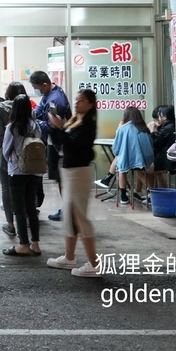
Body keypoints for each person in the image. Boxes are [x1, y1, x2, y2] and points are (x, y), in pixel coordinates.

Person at [46, 88, 101, 277]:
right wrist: (56, 127)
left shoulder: (87, 123)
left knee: (79, 216)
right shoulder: (75, 120)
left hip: (79, 172)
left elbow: (74, 144)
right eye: (77, 100)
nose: (77, 103)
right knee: (69, 215)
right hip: (69, 170)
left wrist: (60, 127)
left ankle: (95, 264)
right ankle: (69, 257)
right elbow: (62, 142)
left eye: (82, 101)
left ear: (91, 104)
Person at [1, 94, 43, 256]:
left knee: (19, 210)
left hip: (17, 172)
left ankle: (23, 245)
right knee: (31, 208)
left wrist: (14, 162)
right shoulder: (35, 126)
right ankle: (36, 244)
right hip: (35, 170)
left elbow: (6, 151)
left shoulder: (12, 128)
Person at [0, 82, 27, 237]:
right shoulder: (28, 107)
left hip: (4, 152)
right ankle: (24, 222)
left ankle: (10, 225)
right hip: (24, 153)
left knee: (6, 188)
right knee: (23, 190)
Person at [29, 71, 71, 221]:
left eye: (37, 88)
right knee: (59, 178)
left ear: (45, 85)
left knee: (62, 178)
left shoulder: (57, 100)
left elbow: (50, 125)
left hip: (61, 145)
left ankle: (68, 209)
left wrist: (37, 123)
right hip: (54, 143)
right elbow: (39, 113)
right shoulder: (49, 95)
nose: (37, 91)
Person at [96, 106, 155, 204]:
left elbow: (116, 148)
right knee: (139, 171)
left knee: (121, 166)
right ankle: (153, 194)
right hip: (145, 161)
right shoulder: (145, 129)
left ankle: (123, 196)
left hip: (129, 162)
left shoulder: (123, 128)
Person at [149, 105, 176, 188]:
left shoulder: (167, 128)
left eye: (159, 115)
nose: (158, 118)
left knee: (142, 168)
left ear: (164, 117)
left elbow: (155, 143)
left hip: (165, 160)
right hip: (167, 158)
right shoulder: (171, 126)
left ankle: (154, 192)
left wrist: (152, 131)